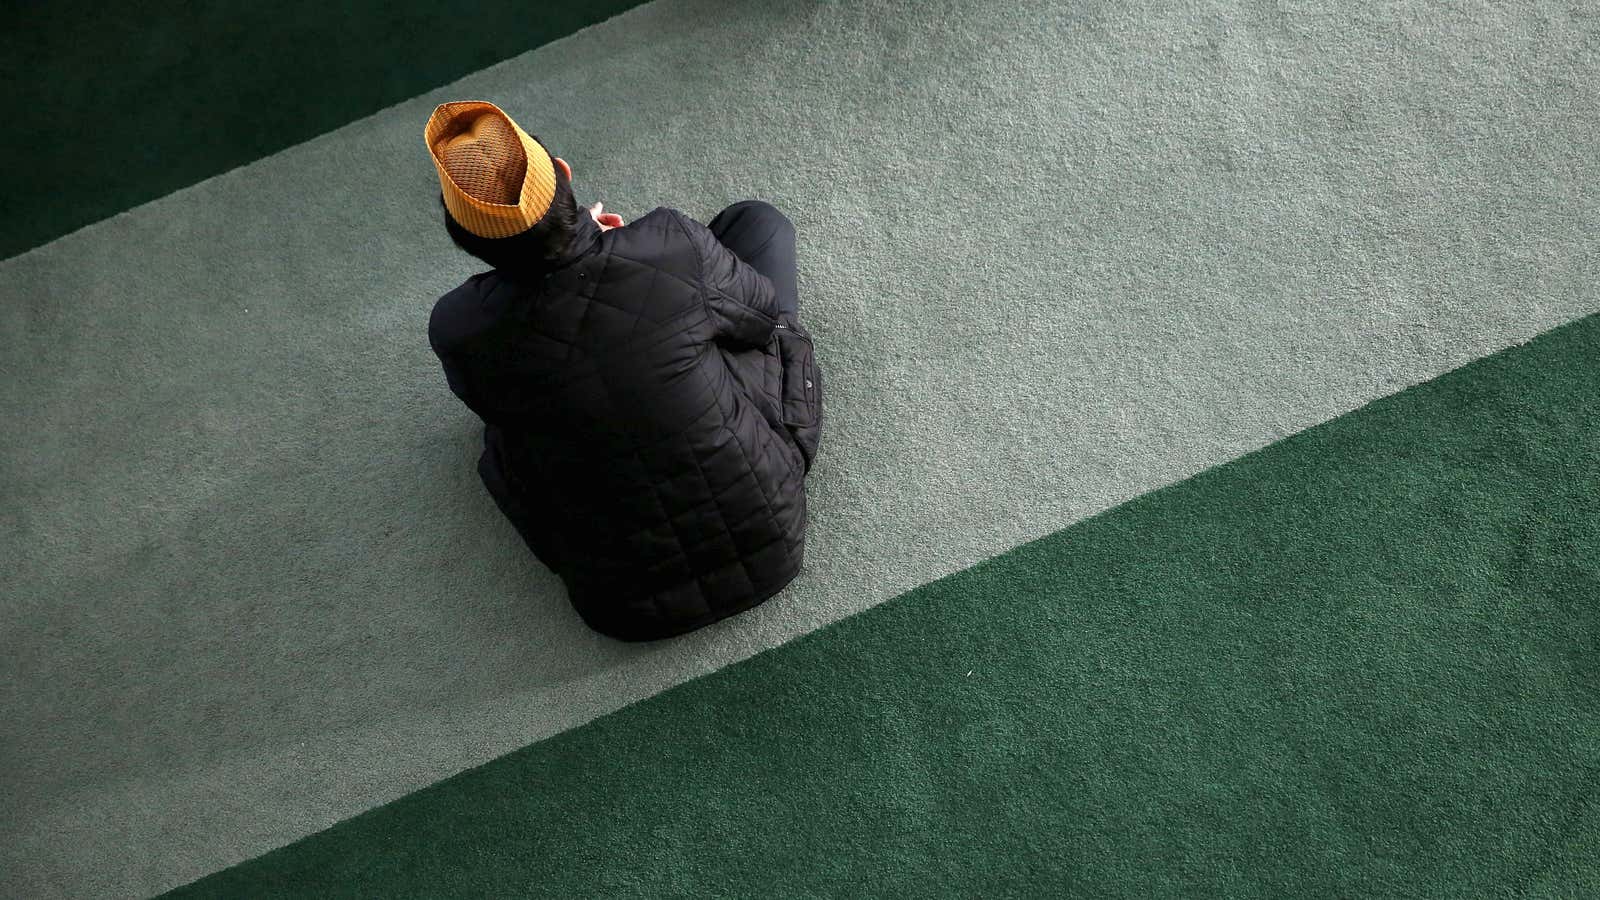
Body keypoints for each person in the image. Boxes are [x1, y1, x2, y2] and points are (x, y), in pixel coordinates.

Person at [423, 100, 822, 641]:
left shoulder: (457, 328)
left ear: (462, 236)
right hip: (772, 527)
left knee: (507, 427)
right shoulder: (671, 241)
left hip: (617, 601)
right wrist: (634, 257)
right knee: (754, 224)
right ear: (562, 172)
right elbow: (758, 321)